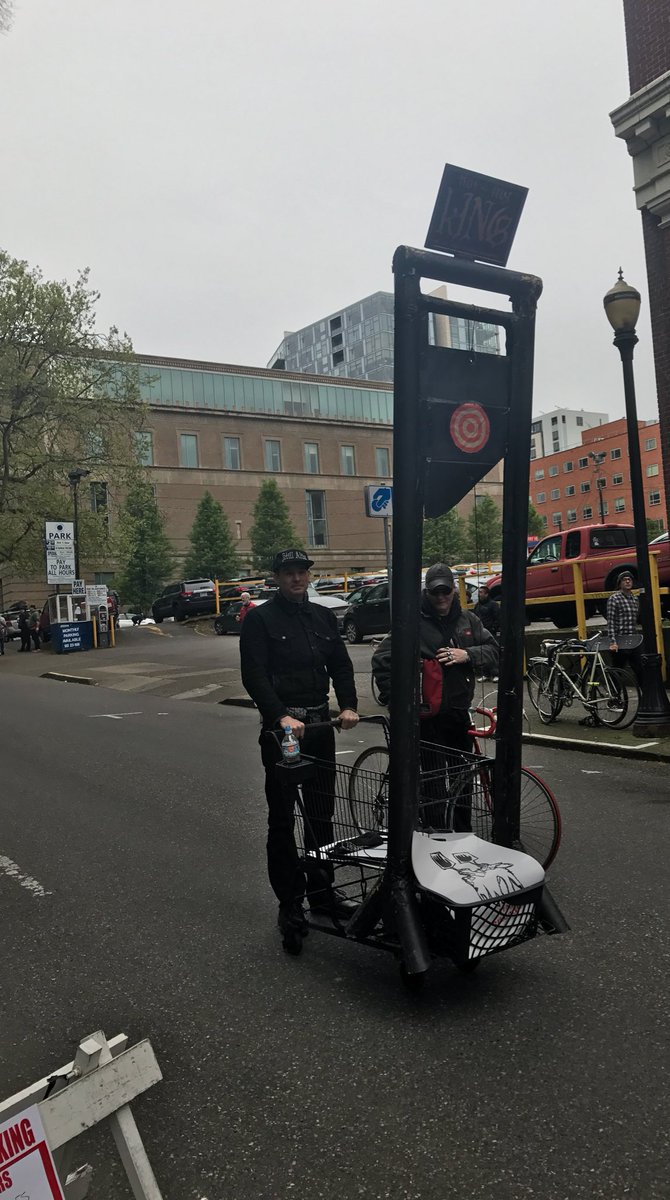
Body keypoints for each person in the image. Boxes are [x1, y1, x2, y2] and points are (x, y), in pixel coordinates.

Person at [240, 548, 359, 944]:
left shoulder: (322, 616)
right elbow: (253, 674)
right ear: (276, 577)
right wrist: (279, 716)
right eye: (288, 572)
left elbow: (340, 664)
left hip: (321, 725)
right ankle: (289, 902)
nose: (296, 578)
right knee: (283, 817)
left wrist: (347, 705)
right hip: (285, 733)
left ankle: (322, 894)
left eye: (301, 572)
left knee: (323, 814)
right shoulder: (260, 619)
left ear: (309, 576)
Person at [372, 563, 499, 828]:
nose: (441, 597)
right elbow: (382, 659)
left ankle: (463, 832)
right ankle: (437, 834)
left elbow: (494, 649)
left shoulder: (469, 620)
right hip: (426, 717)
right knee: (433, 779)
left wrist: (468, 655)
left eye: (445, 591)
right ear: (426, 593)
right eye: (435, 592)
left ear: (454, 590)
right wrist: (397, 702)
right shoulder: (412, 623)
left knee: (462, 777)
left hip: (457, 712)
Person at [607, 569, 642, 684]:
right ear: (620, 583)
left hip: (632, 639)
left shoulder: (634, 599)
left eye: (629, 579)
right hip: (620, 640)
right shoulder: (614, 598)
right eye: (624, 580)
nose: (627, 582)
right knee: (618, 670)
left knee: (640, 669)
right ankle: (615, 697)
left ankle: (645, 698)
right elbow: (611, 622)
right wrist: (613, 642)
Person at [473, 584, 501, 682]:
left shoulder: (493, 605)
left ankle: (496, 673)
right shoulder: (478, 605)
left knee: (492, 652)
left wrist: (494, 628)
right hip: (480, 632)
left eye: (481, 592)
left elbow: (498, 617)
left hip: (490, 632)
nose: (479, 595)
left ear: (486, 594)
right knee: (482, 653)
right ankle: (485, 673)